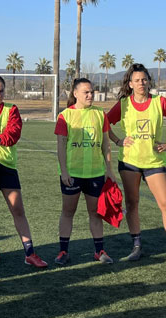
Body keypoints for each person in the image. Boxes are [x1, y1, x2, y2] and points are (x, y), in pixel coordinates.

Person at [107, 64, 166, 266]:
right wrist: (118, 141)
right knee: (132, 204)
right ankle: (136, 247)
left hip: (154, 162)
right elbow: (104, 123)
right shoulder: (123, 104)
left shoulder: (160, 102)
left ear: (149, 81)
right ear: (130, 83)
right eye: (136, 80)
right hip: (129, 162)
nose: (141, 83)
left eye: (144, 79)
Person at [0, 74, 47, 269]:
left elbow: (13, 135)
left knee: (17, 209)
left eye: (1, 91)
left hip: (7, 165)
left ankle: (30, 253)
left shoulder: (11, 109)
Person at [54, 78, 116, 266]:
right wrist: (64, 171)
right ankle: (63, 251)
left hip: (95, 173)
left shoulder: (100, 114)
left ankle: (99, 251)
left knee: (95, 213)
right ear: (75, 94)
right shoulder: (65, 115)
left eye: (92, 92)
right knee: (68, 212)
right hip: (72, 174)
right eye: (86, 92)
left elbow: (106, 144)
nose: (90, 95)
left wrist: (109, 170)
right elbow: (61, 146)